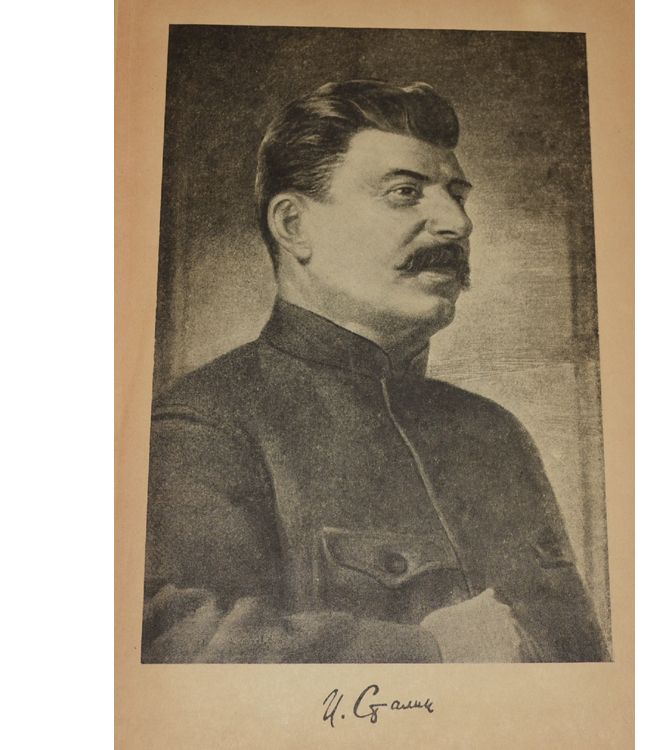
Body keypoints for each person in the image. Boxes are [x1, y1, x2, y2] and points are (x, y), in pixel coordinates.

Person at [141, 80, 608, 663]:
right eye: (405, 193)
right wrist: (428, 652)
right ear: (294, 226)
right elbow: (179, 655)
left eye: (456, 195)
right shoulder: (206, 426)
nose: (456, 224)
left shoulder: (495, 434)